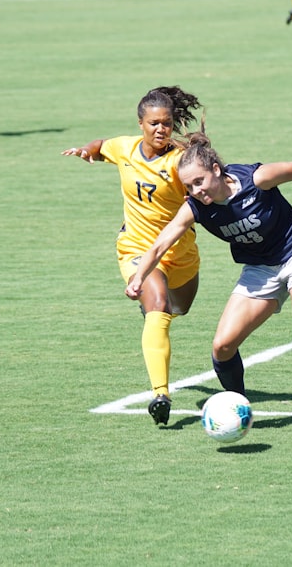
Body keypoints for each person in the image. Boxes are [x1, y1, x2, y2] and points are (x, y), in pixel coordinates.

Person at [125, 130, 292, 434]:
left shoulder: (257, 179)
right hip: (260, 271)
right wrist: (138, 277)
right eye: (188, 186)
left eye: (199, 182)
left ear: (216, 170)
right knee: (223, 346)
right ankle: (239, 405)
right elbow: (159, 245)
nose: (196, 191)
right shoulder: (196, 208)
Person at [62, 87, 204, 426]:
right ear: (140, 123)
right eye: (154, 123)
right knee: (158, 305)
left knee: (179, 307)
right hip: (137, 249)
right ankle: (161, 394)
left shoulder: (179, 160)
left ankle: (156, 320)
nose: (161, 130)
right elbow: (102, 146)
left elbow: (204, 188)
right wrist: (87, 151)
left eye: (167, 124)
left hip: (181, 255)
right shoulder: (125, 147)